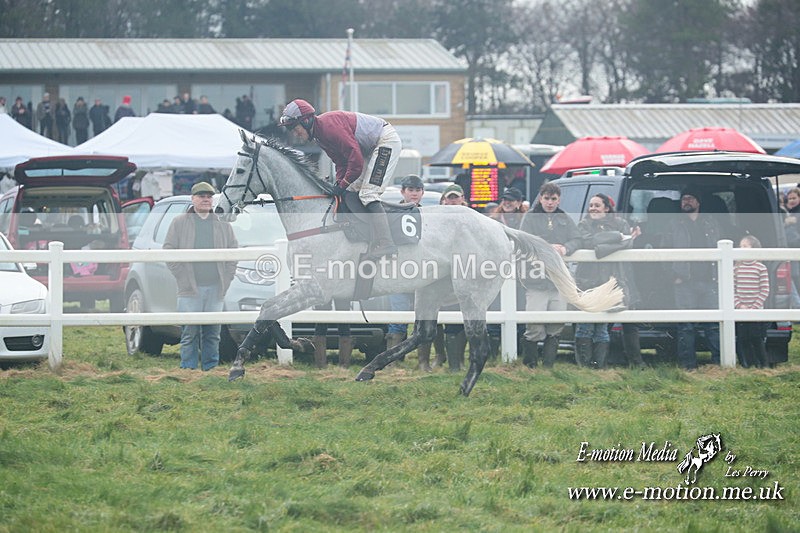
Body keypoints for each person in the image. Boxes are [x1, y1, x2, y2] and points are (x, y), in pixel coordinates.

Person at [279, 98, 402, 258]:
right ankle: (369, 238)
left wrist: (342, 184)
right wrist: (339, 184)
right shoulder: (319, 136)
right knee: (351, 191)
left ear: (306, 121)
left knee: (368, 194)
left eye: (295, 128)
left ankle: (386, 243)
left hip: (385, 141)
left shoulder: (329, 128)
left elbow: (356, 162)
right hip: (369, 148)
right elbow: (341, 162)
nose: (295, 134)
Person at [163, 182, 238, 370]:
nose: (206, 199)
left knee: (213, 333)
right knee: (189, 332)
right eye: (201, 196)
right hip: (189, 289)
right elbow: (169, 250)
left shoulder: (223, 224)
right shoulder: (179, 222)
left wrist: (227, 278)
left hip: (216, 287)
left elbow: (233, 252)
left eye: (209, 196)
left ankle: (210, 369)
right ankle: (188, 370)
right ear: (193, 199)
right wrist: (182, 277)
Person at [518, 182, 582, 368]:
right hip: (536, 279)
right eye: (546, 198)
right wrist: (547, 247)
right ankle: (530, 365)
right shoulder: (530, 217)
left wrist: (566, 248)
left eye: (553, 199)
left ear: (559, 199)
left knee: (556, 324)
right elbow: (524, 240)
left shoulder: (564, 218)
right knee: (534, 325)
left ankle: (548, 366)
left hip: (558, 280)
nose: (550, 202)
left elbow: (577, 239)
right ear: (540, 198)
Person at [574, 193, 641, 369]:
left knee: (602, 328)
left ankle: (599, 367)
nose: (593, 209)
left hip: (611, 280)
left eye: (597, 205)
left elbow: (629, 244)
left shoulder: (621, 223)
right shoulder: (583, 224)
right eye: (591, 205)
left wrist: (602, 248)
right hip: (588, 282)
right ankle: (585, 368)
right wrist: (618, 237)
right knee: (585, 326)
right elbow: (589, 241)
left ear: (606, 207)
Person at [666, 186, 722, 370]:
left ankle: (718, 365)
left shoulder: (711, 222)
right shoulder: (674, 224)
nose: (686, 201)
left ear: (698, 202)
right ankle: (688, 367)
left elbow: (720, 247)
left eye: (690, 198)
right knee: (686, 326)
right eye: (684, 199)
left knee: (713, 325)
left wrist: (718, 275)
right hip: (684, 282)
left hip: (709, 281)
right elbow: (664, 251)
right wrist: (673, 275)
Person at [385, 174, 435, 370]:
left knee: (424, 319)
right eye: (410, 190)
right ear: (403, 192)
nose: (414, 194)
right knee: (398, 319)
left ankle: (423, 362)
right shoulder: (391, 213)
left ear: (422, 192)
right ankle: (392, 362)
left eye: (417, 190)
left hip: (423, 274)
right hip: (399, 273)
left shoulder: (428, 215)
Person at [734, 235, 770, 368]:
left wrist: (754, 306)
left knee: (756, 337)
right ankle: (747, 364)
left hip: (756, 310)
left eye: (745, 246)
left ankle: (763, 364)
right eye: (740, 246)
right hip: (741, 309)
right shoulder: (736, 269)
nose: (741, 248)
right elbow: (732, 289)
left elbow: (765, 289)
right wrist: (739, 305)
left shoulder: (761, 268)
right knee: (742, 338)